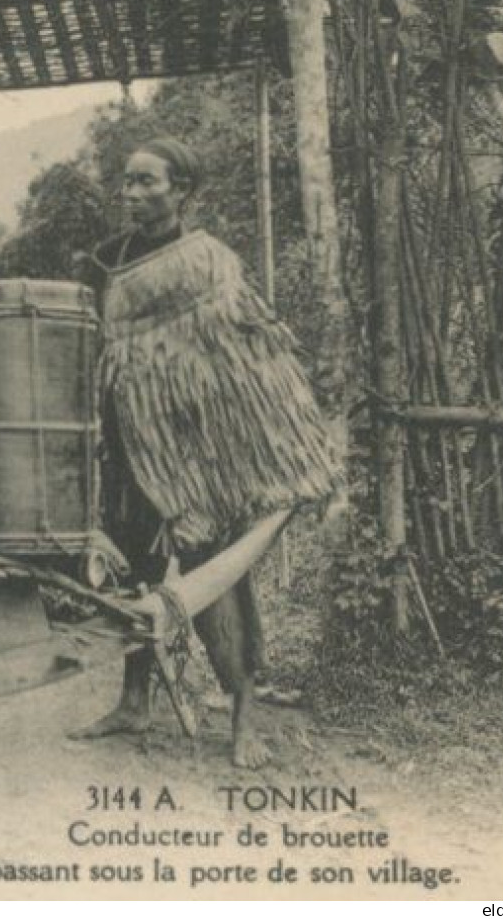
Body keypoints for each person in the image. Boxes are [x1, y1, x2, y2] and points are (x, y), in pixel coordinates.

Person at [70, 138, 337, 769]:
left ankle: (244, 717)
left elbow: (246, 357)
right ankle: (134, 701)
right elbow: (92, 349)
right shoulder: (107, 262)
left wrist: (274, 442)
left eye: (146, 182)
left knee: (215, 580)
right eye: (127, 182)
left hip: (196, 454)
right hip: (131, 448)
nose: (131, 193)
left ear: (181, 190)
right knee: (130, 576)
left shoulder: (209, 261)